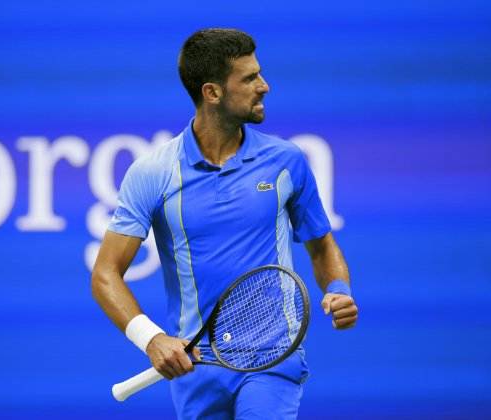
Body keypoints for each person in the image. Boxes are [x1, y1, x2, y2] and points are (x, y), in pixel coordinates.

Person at [91, 28, 358, 419]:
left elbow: (321, 244)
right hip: (195, 365)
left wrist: (337, 288)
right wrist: (152, 339)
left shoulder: (287, 161)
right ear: (212, 92)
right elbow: (105, 273)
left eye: (260, 74)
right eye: (249, 79)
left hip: (273, 357)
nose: (264, 86)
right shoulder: (153, 173)